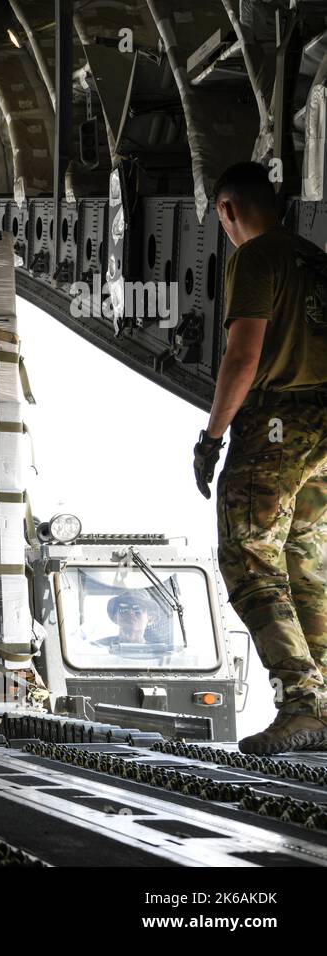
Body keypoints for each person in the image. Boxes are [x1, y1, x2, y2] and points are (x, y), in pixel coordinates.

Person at [194, 160, 327, 754]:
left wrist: (213, 436)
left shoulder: (257, 257)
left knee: (248, 558)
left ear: (227, 210)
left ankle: (301, 703)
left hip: (277, 425)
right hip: (325, 428)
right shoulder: (315, 258)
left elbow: (243, 356)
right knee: (304, 565)